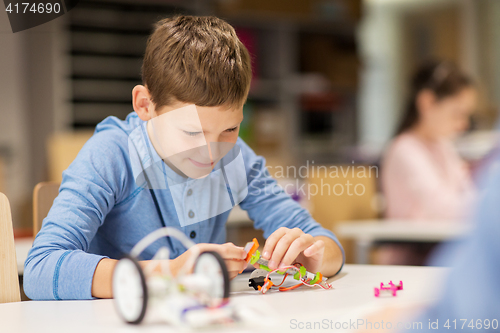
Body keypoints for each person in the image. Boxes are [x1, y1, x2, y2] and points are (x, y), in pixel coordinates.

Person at [23, 15, 344, 300]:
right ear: (145, 105)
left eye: (231, 130)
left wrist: (314, 255)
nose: (211, 153)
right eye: (192, 134)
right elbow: (40, 269)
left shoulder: (236, 160)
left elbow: (327, 243)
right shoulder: (111, 155)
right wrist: (168, 272)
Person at [378, 60, 477, 265]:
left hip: (441, 250)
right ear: (427, 102)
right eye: (457, 113)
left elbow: (466, 193)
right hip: (412, 260)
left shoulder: (443, 146)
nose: (464, 123)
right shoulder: (404, 148)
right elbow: (442, 208)